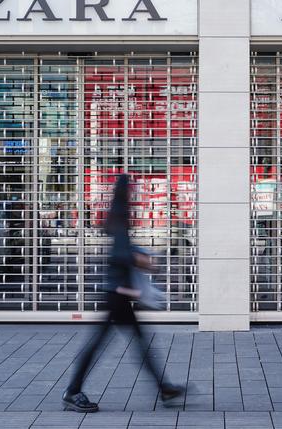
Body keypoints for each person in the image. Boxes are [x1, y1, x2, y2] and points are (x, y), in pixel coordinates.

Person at [62, 174, 184, 413]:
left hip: (119, 294)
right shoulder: (119, 215)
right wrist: (142, 261)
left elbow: (121, 248)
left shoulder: (118, 217)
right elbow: (120, 254)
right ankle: (73, 391)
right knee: (102, 343)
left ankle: (165, 387)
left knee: (136, 343)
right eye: (132, 190)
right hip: (117, 294)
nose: (136, 194)